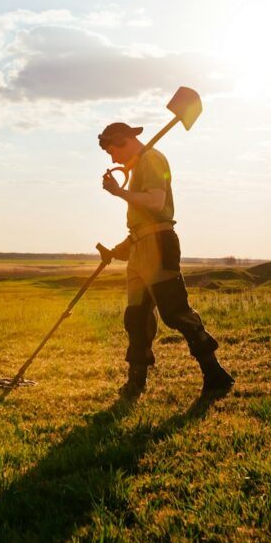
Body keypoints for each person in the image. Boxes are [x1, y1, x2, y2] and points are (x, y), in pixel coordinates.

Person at [98, 121, 235, 399]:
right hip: (140, 245)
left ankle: (216, 375)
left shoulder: (153, 159)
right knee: (136, 318)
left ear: (122, 139)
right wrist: (125, 245)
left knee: (175, 311)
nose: (113, 159)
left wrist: (119, 192)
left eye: (112, 151)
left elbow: (156, 203)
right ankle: (136, 383)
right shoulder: (139, 165)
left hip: (159, 245)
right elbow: (144, 217)